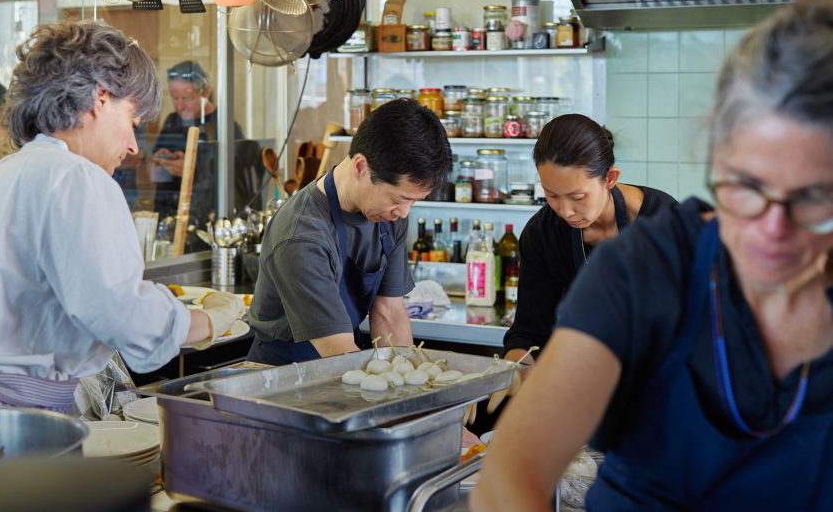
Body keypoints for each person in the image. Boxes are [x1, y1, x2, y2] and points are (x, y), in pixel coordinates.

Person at [471, 0, 833, 511]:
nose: (772, 229)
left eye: (813, 199)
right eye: (745, 187)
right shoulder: (646, 268)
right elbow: (510, 475)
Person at [0, 19, 245, 413]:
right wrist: (211, 321)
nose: (131, 146)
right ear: (101, 97)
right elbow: (125, 315)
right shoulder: (74, 176)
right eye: (132, 121)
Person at [245, 98, 452, 365]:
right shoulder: (301, 236)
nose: (404, 213)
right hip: (284, 377)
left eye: (414, 201)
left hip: (342, 361)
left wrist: (411, 380)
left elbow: (389, 311)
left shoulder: (390, 214)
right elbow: (338, 349)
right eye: (400, 199)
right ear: (361, 167)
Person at [503, 114, 677, 367]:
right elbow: (529, 333)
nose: (565, 211)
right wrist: (516, 371)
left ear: (610, 178)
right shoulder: (542, 233)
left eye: (578, 197)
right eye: (551, 195)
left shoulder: (664, 223)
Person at [148, 61, 252, 242]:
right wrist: (161, 163)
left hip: (208, 226)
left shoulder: (226, 127)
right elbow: (152, 174)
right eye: (174, 97)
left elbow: (237, 184)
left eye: (187, 98)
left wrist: (192, 171)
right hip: (168, 218)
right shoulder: (172, 121)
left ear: (205, 92)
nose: (179, 106)